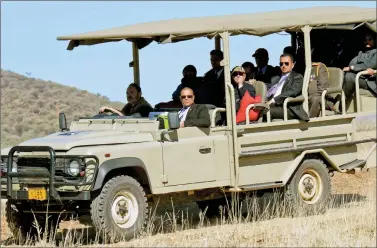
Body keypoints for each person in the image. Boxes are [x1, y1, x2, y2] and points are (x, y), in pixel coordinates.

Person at [264, 53, 309, 121]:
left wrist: (273, 100)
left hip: (289, 108)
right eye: (281, 64)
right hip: (274, 105)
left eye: (286, 63)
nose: (283, 66)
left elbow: (292, 92)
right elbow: (268, 89)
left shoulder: (297, 77)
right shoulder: (275, 78)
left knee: (267, 111)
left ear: (293, 65)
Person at [343, 33, 377, 103]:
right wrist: (363, 68)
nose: (367, 41)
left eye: (370, 39)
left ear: (374, 40)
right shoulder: (361, 53)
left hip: (370, 81)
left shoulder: (376, 52)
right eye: (366, 40)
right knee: (343, 75)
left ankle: (340, 103)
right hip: (361, 77)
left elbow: (371, 65)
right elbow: (352, 63)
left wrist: (353, 68)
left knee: (349, 77)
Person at [308, 49, 330, 118]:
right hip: (308, 96)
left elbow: (323, 88)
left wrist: (310, 96)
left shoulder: (320, 67)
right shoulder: (307, 68)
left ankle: (310, 122)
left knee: (315, 99)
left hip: (321, 98)